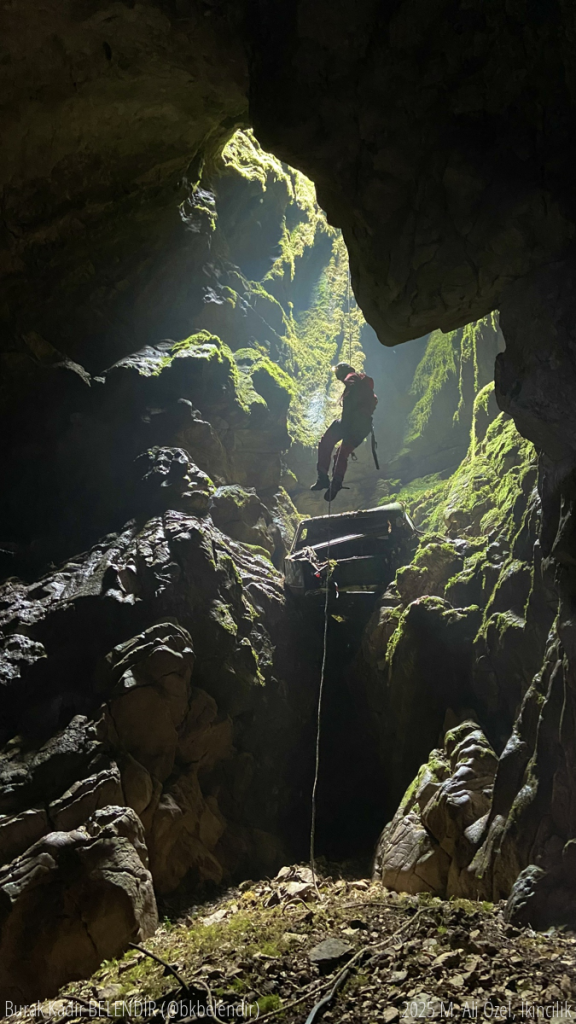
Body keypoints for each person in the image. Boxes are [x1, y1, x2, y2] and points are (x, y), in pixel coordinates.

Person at [310, 362, 378, 501]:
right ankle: (336, 483)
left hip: (350, 423)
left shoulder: (351, 376)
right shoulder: (365, 386)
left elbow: (351, 383)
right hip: (362, 427)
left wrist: (349, 385)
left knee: (326, 442)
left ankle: (322, 477)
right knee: (342, 454)